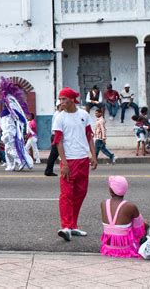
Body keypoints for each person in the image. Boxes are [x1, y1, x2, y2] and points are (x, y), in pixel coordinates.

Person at [52, 87, 97, 241]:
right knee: (66, 195)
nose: (61, 102)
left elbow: (89, 136)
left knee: (80, 193)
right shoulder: (59, 117)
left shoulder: (84, 114)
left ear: (72, 100)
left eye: (64, 99)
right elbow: (58, 142)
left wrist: (94, 155)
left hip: (83, 159)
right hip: (69, 161)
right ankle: (65, 226)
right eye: (60, 99)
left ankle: (73, 226)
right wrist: (64, 163)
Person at [100, 176, 146, 258]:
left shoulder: (103, 204)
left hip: (107, 249)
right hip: (126, 250)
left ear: (110, 190)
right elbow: (139, 231)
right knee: (144, 223)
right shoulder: (131, 206)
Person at [0, 77, 33, 171]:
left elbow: (17, 113)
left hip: (9, 126)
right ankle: (11, 164)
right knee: (7, 147)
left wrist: (22, 120)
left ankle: (21, 162)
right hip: (6, 125)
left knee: (10, 145)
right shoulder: (8, 99)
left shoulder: (11, 100)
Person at [44, 101, 61, 177]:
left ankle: (48, 170)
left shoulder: (58, 114)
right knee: (54, 154)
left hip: (55, 135)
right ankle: (48, 170)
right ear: (59, 106)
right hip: (56, 135)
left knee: (54, 154)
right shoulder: (58, 114)